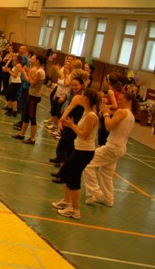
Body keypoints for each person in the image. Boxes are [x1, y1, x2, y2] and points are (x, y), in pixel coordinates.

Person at [51, 88, 100, 219]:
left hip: (85, 152)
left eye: (82, 96)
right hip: (78, 149)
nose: (79, 97)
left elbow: (85, 135)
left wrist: (72, 126)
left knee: (74, 178)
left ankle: (75, 210)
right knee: (64, 173)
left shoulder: (91, 116)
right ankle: (67, 202)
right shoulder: (86, 112)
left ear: (86, 99)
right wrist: (70, 124)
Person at [83, 90, 137, 207]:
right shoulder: (131, 115)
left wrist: (106, 114)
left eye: (121, 99)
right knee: (106, 173)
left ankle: (95, 192)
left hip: (112, 147)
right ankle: (108, 199)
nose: (118, 101)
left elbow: (108, 127)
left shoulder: (122, 112)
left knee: (87, 163)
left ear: (128, 101)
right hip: (120, 148)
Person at [11, 54, 46, 144]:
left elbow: (32, 83)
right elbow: (28, 80)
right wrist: (25, 72)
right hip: (31, 95)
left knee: (32, 116)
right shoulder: (38, 71)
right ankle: (22, 134)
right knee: (26, 115)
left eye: (34, 59)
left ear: (38, 61)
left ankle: (32, 138)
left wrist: (27, 73)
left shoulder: (40, 72)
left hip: (34, 96)